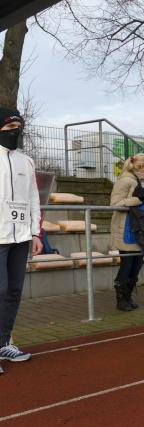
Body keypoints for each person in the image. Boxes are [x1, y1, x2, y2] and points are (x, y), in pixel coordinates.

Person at [0, 107, 42, 372]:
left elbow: (34, 198)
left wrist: (35, 233)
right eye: (9, 128)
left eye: (18, 127)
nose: (15, 132)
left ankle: (4, 342)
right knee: (0, 289)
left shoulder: (26, 161)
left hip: (21, 237)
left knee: (14, 291)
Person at [109, 153, 144, 311]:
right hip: (127, 230)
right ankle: (121, 299)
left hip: (142, 229)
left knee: (137, 265)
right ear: (141, 166)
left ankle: (128, 296)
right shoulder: (125, 180)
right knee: (127, 265)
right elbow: (114, 204)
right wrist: (137, 200)